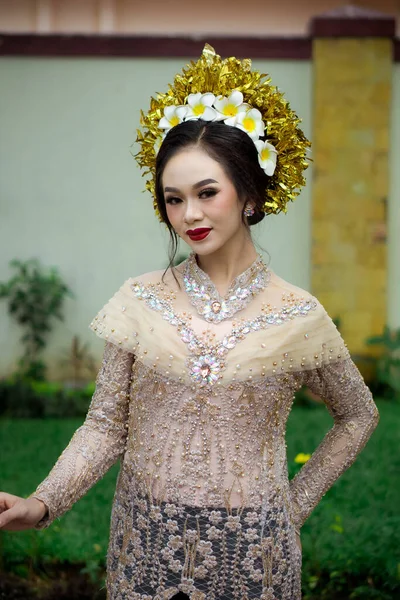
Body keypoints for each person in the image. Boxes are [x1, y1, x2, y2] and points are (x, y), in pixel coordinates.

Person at [0, 45, 379, 600]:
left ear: (250, 193)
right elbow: (105, 425)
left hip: (254, 557)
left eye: (207, 193)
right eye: (174, 200)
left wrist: (290, 508)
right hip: (144, 544)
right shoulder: (139, 301)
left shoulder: (298, 314)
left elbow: (357, 415)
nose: (190, 216)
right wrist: (42, 502)